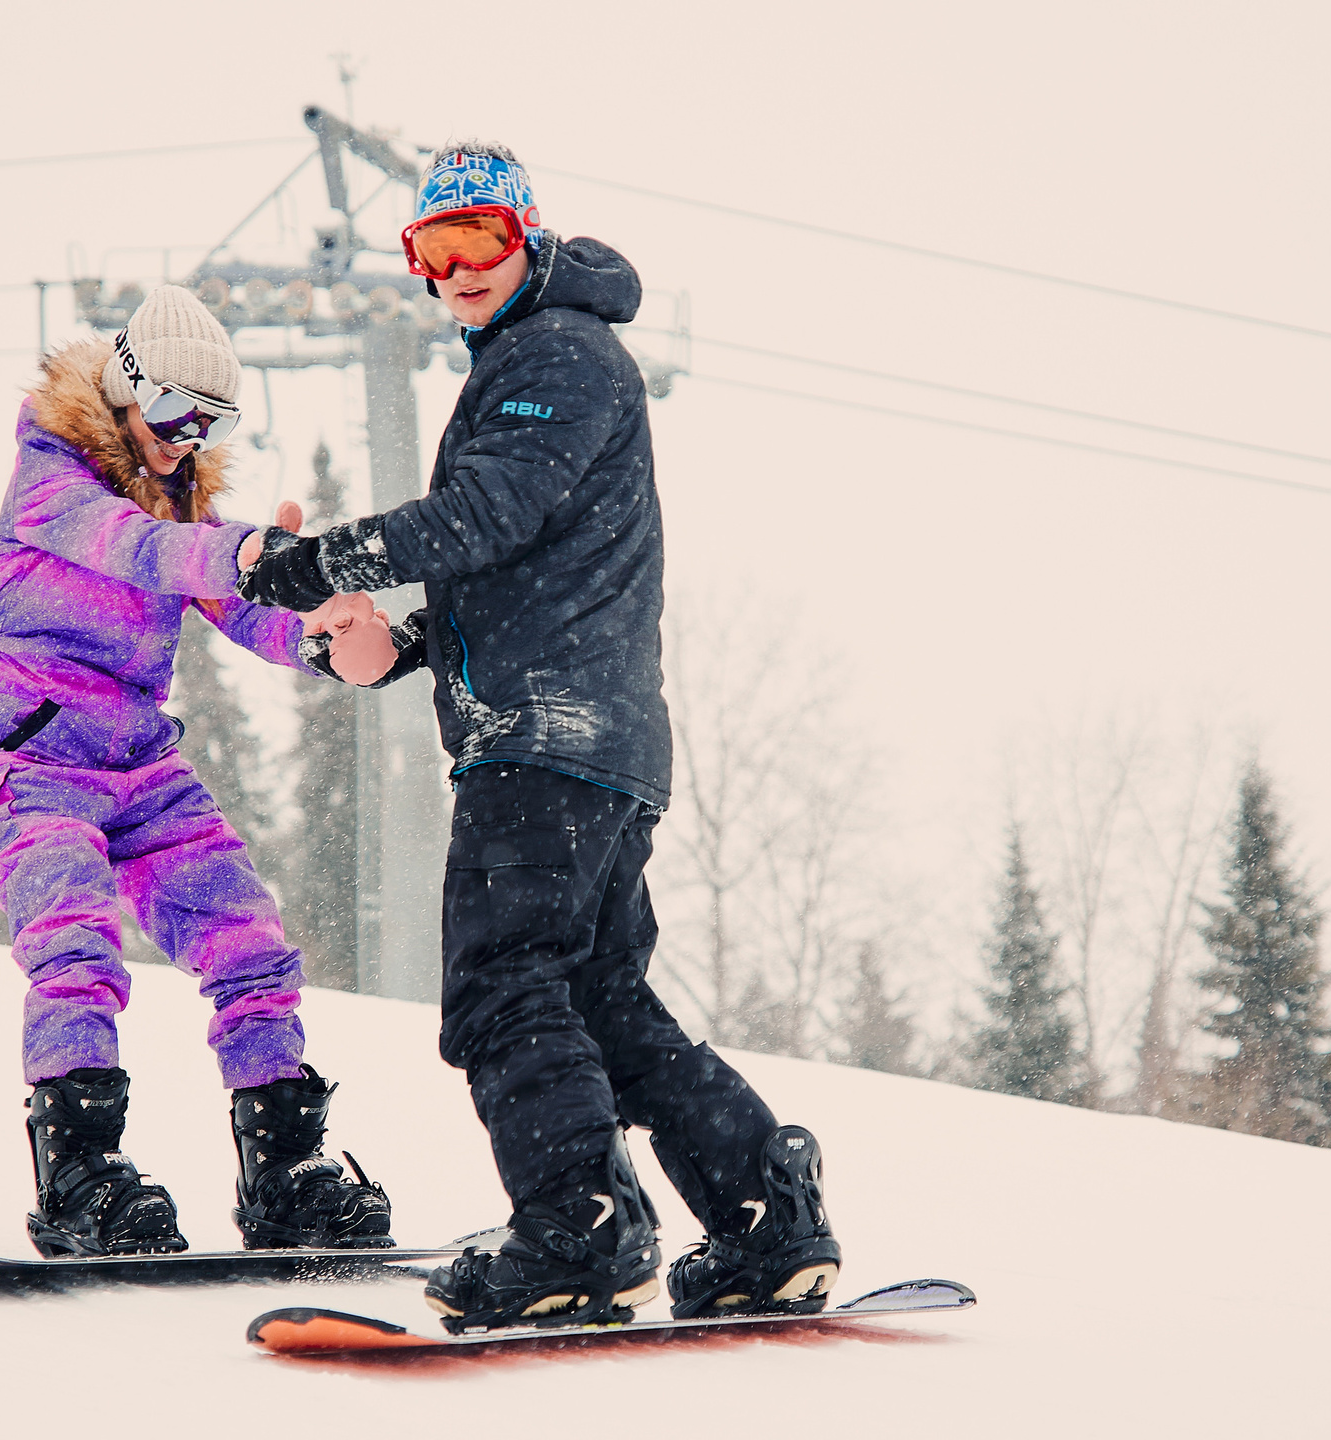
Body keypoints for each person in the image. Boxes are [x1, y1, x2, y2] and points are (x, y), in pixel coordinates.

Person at [236, 144, 841, 1330]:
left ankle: (578, 1225)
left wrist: (315, 561)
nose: (458, 272)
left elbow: (484, 514)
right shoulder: (533, 353)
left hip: (547, 739)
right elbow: (508, 556)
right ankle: (764, 1217)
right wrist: (376, 639)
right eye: (433, 251)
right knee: (602, 1001)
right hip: (587, 738)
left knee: (502, 982)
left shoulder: (556, 351)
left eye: (481, 243)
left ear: (527, 238)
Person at [0, 285, 406, 1258]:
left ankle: (282, 1172)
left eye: (211, 422)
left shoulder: (182, 502)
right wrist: (249, 550)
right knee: (72, 931)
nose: (185, 437)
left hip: (134, 760)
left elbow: (241, 607)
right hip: (29, 755)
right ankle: (80, 1173)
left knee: (245, 934)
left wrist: (324, 638)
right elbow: (149, 553)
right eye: (171, 412)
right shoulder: (51, 477)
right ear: (121, 392)